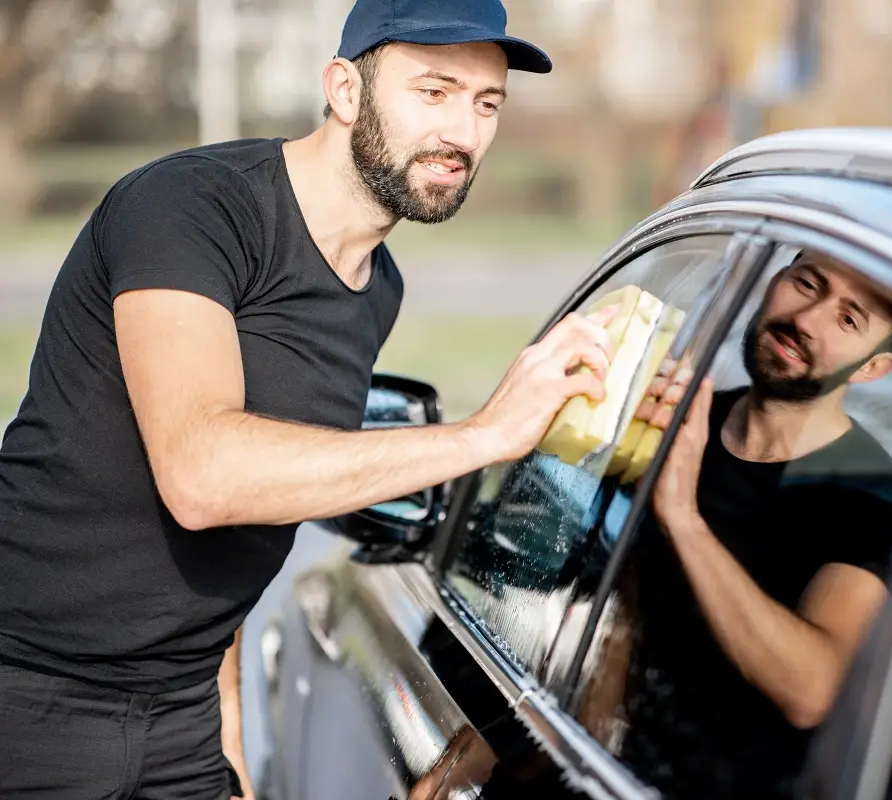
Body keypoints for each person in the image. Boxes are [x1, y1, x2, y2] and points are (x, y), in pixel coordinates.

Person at [0, 2, 616, 798]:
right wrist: (483, 435)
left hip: (181, 716)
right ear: (344, 90)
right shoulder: (192, 208)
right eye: (435, 92)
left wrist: (228, 738)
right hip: (28, 695)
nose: (464, 133)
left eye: (486, 102)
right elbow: (202, 476)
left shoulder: (376, 289)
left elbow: (250, 517)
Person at [616, 250, 892, 798]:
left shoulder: (876, 502)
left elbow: (812, 688)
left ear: (874, 367)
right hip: (604, 760)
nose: (806, 319)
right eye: (807, 283)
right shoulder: (686, 417)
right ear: (774, 281)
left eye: (849, 319)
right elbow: (611, 598)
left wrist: (683, 519)